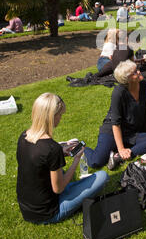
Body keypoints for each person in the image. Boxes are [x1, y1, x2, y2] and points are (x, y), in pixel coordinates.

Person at [16, 93, 108, 224]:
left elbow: (37, 159)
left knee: (64, 164)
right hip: (48, 213)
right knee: (102, 177)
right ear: (51, 117)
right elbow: (58, 189)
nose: (61, 118)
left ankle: (77, 186)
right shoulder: (51, 149)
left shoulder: (24, 135)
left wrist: (61, 151)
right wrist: (76, 159)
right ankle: (77, 188)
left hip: (27, 207)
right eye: (60, 115)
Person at [84, 60, 146, 170]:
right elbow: (115, 123)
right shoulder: (119, 92)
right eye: (135, 72)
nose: (139, 72)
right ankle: (80, 148)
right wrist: (121, 148)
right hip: (112, 131)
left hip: (132, 132)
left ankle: (117, 158)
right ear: (127, 79)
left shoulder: (144, 84)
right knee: (96, 162)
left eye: (137, 69)